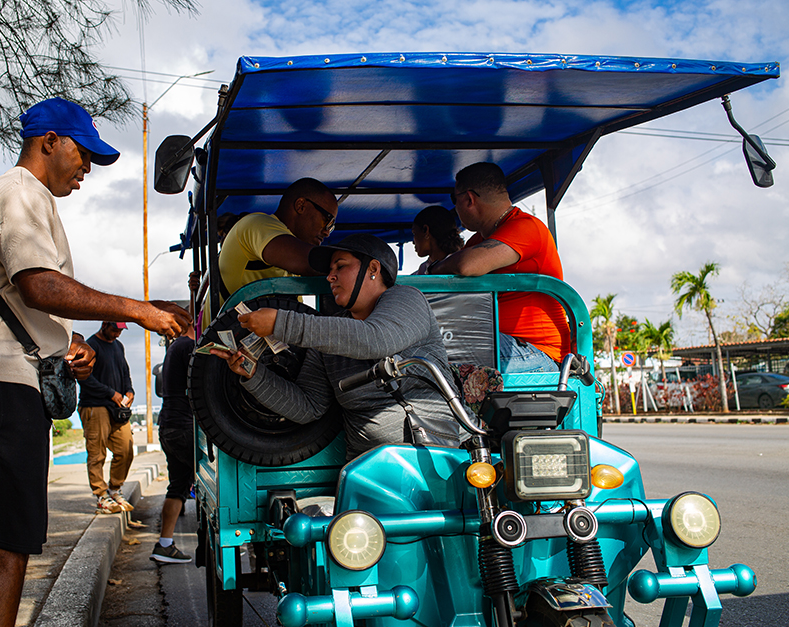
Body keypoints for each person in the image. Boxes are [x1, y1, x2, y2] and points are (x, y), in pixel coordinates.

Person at [0, 97, 191, 627]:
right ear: (48, 140)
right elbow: (40, 285)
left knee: (13, 537)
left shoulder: (32, 199)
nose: (87, 170)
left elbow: (24, 298)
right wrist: (138, 309)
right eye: (84, 154)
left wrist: (63, 346)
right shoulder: (18, 192)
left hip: (9, 382)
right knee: (7, 539)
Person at [214, 234, 461, 461]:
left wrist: (280, 322)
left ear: (373, 269)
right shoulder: (329, 335)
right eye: (330, 270)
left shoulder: (407, 299)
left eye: (340, 267)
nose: (330, 277)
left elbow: (375, 340)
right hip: (368, 470)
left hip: (435, 458)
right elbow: (309, 406)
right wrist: (253, 374)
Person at [427, 162, 570, 373]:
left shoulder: (526, 227)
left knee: (430, 352)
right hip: (496, 342)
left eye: (454, 199)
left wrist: (433, 268)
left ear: (468, 199)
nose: (454, 208)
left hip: (537, 353)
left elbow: (467, 265)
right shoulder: (477, 242)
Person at [201, 178, 338, 325]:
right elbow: (312, 261)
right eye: (327, 221)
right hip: (220, 344)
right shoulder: (256, 224)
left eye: (331, 227)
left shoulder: (291, 267)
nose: (327, 232)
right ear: (301, 206)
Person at [149, 323, 197, 564]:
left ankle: (164, 544)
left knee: (178, 486)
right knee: (219, 484)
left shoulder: (174, 347)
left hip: (168, 425)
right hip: (184, 427)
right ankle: (232, 541)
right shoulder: (189, 346)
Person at [78, 322, 136, 514]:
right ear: (104, 324)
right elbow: (84, 377)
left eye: (120, 330)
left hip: (117, 407)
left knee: (126, 449)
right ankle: (101, 495)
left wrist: (129, 390)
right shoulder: (91, 345)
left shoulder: (118, 346)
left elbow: (125, 372)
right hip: (95, 405)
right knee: (97, 454)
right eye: (115, 329)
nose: (118, 333)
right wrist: (110, 392)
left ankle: (115, 489)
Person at [410, 205, 464, 275]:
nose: (413, 242)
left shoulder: (459, 264)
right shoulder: (423, 269)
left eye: (414, 233)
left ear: (425, 230)